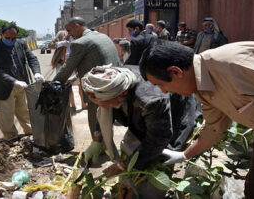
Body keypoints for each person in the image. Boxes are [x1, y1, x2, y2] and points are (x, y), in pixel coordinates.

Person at [139, 40, 254, 199]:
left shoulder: (237, 64)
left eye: (160, 84)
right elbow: (214, 129)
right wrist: (184, 155)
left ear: (175, 72)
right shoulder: (203, 88)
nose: (164, 91)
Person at [82, 65, 200, 198]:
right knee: (129, 150)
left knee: (155, 169)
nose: (102, 106)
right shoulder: (113, 80)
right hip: (144, 118)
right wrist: (97, 140)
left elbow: (158, 139)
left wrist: (124, 166)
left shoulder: (150, 101)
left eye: (104, 103)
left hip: (171, 122)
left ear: (123, 93)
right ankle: (125, 190)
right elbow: (103, 111)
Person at [53, 17, 121, 138]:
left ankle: (99, 151)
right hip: (115, 86)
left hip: (98, 91)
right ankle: (106, 147)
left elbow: (67, 68)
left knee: (95, 123)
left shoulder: (80, 43)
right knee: (107, 121)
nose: (69, 35)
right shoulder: (103, 36)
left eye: (69, 31)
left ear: (77, 26)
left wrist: (52, 85)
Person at [0, 24, 43, 140]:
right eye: (7, 38)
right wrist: (13, 81)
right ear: (1, 35)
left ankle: (31, 132)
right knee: (6, 115)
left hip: (22, 84)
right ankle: (11, 137)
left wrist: (36, 72)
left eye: (13, 38)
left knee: (24, 111)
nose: (11, 40)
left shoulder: (20, 44)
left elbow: (31, 58)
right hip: (5, 86)